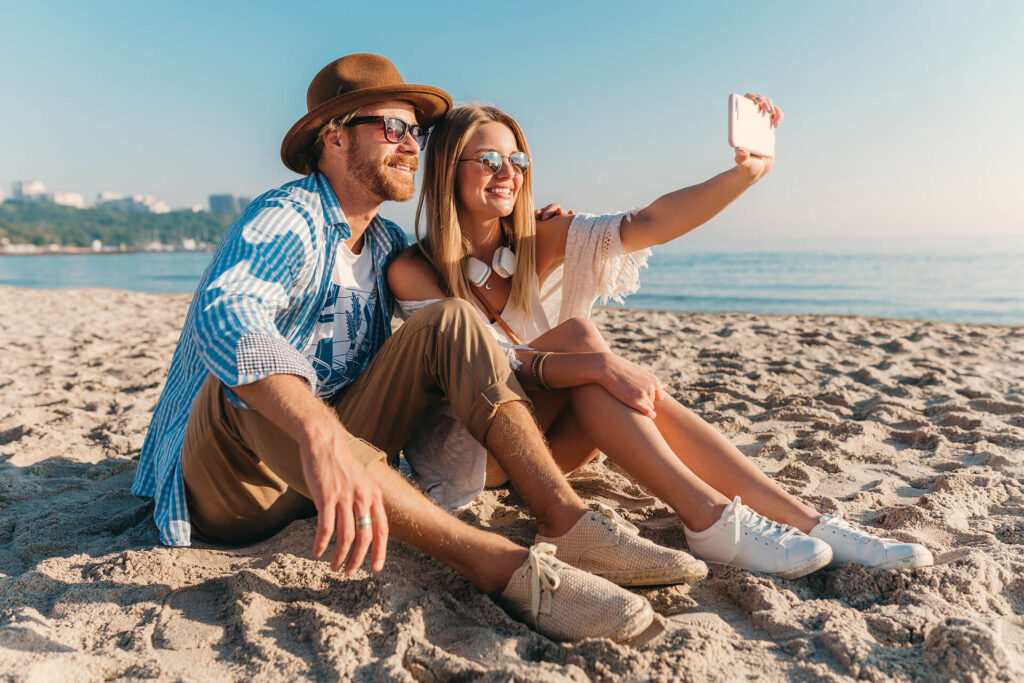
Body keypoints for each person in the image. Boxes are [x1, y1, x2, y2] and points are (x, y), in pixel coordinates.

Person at [131, 53, 718, 645]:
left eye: (416, 131)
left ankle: (564, 519)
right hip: (235, 487)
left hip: (337, 472)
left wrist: (527, 226)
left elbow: (462, 298)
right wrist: (317, 430)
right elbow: (228, 311)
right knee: (249, 382)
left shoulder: (387, 246)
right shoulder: (288, 217)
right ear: (335, 137)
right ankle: (497, 564)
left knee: (453, 319)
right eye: (393, 128)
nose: (412, 145)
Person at [387, 102, 934, 578]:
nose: (506, 171)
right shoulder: (415, 269)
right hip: (477, 453)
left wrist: (745, 174)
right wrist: (597, 367)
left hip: (548, 446)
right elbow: (482, 365)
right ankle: (710, 518)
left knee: (586, 353)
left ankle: (801, 519)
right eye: (487, 160)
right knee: (582, 345)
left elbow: (646, 221)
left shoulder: (535, 238)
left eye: (516, 160)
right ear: (446, 169)